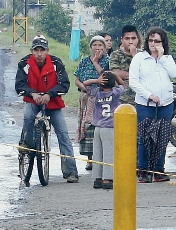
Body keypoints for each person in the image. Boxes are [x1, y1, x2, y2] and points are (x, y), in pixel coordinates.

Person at [15, 35, 79, 183]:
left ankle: (70, 171)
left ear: (47, 51)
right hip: (33, 100)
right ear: (32, 51)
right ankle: (28, 145)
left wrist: (50, 94)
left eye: (42, 50)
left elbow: (64, 84)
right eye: (36, 50)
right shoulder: (24, 63)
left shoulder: (56, 63)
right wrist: (33, 94)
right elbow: (19, 85)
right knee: (27, 117)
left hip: (53, 101)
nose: (39, 54)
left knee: (63, 134)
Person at [130, 27, 176, 182]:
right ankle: (143, 170)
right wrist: (149, 95)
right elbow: (133, 81)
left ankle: (158, 169)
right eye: (151, 40)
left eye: (157, 41)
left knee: (162, 137)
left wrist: (162, 57)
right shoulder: (140, 58)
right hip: (146, 104)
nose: (153, 44)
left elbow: (175, 73)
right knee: (145, 137)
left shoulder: (167, 58)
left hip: (166, 104)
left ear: (162, 43)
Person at [74, 36, 111, 168]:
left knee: (100, 128)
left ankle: (100, 159)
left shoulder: (108, 61)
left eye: (100, 45)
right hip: (86, 98)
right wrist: (85, 88)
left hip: (102, 98)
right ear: (91, 47)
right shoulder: (84, 61)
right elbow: (77, 79)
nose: (97, 48)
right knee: (87, 127)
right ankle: (90, 159)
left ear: (104, 47)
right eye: (95, 45)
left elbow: (107, 79)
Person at [87, 72, 125, 190]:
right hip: (109, 127)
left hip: (97, 127)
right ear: (113, 83)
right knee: (109, 153)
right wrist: (115, 75)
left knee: (97, 152)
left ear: (101, 84)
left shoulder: (96, 93)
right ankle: (107, 178)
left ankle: (97, 178)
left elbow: (85, 84)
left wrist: (96, 80)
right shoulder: (115, 93)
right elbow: (122, 85)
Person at [110, 25, 141, 105]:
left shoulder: (143, 55)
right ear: (122, 40)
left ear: (137, 39)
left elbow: (147, 73)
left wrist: (134, 55)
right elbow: (115, 73)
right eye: (127, 39)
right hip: (121, 99)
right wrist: (137, 75)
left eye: (133, 38)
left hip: (140, 99)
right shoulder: (115, 54)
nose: (130, 42)